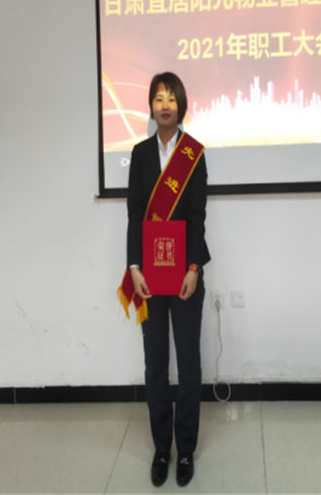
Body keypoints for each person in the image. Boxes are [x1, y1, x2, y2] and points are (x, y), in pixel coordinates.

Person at [126, 71, 210, 487]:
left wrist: (193, 268)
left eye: (171, 98)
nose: (165, 105)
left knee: (189, 363)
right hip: (149, 275)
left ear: (181, 105)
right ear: (150, 106)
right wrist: (134, 267)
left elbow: (197, 214)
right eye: (158, 98)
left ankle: (186, 449)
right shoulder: (140, 154)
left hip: (185, 274)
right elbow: (134, 214)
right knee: (155, 363)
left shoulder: (192, 153)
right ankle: (162, 448)